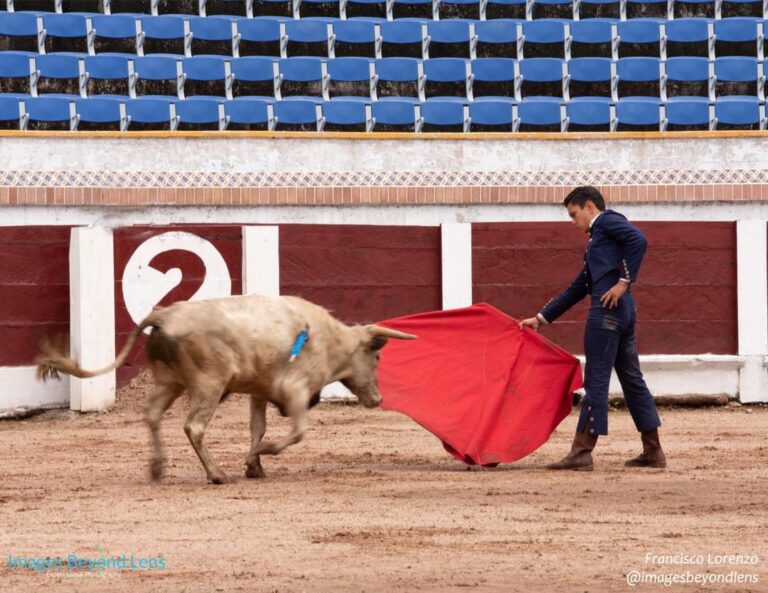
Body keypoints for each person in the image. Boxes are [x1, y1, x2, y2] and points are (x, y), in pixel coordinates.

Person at [519, 186, 666, 471]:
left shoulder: (606, 221)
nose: (573, 222)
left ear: (589, 206)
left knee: (597, 380)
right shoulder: (599, 238)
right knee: (632, 380)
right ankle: (653, 450)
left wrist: (624, 282)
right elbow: (579, 286)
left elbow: (639, 239)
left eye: (574, 215)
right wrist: (542, 318)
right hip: (622, 311)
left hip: (607, 312)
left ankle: (582, 451)